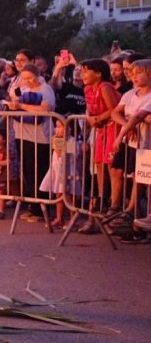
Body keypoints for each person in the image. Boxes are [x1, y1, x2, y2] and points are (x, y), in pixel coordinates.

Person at [105, 59, 151, 241]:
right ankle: (133, 216)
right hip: (134, 144)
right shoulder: (130, 94)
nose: (134, 77)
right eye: (132, 73)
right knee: (134, 177)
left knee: (145, 181)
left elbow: (139, 116)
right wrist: (127, 126)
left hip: (147, 145)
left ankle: (135, 215)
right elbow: (116, 112)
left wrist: (120, 134)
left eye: (139, 73)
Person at [7, 63, 56, 220]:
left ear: (37, 76)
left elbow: (45, 109)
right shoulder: (24, 90)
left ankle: (42, 209)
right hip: (23, 134)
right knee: (28, 172)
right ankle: (32, 206)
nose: (27, 81)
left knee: (39, 172)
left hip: (40, 137)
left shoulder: (45, 89)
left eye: (30, 78)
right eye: (24, 78)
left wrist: (21, 105)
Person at [78, 59, 120, 228]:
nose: (83, 74)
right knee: (99, 163)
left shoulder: (105, 87)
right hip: (100, 129)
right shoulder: (87, 89)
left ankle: (114, 203)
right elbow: (89, 109)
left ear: (99, 73)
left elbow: (114, 109)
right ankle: (102, 198)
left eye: (87, 71)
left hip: (113, 127)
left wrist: (100, 118)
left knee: (111, 165)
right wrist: (90, 119)